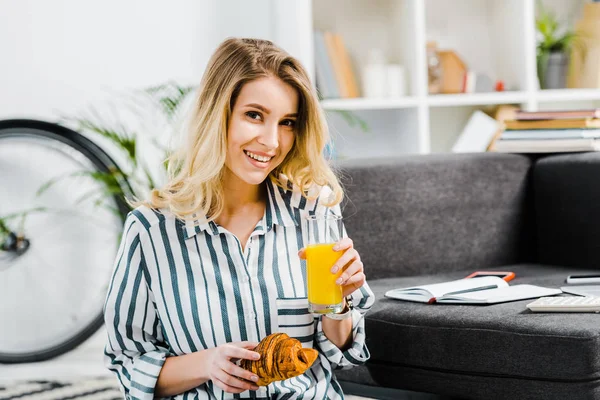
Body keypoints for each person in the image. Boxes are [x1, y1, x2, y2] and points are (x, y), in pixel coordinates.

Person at [103, 37, 374, 400]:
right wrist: (208, 364)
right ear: (219, 114)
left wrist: (338, 305)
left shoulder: (314, 214)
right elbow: (129, 365)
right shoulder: (152, 232)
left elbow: (337, 357)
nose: (272, 141)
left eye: (287, 122)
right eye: (254, 115)